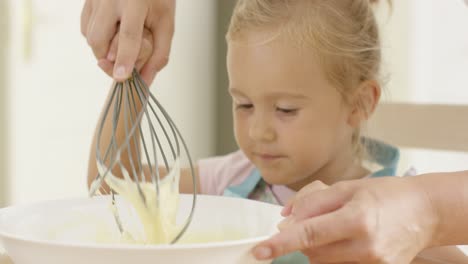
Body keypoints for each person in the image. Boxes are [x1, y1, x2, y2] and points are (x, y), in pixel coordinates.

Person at [82, 0, 468, 263]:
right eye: (243, 104)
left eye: (285, 110)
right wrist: (130, 79)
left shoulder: (394, 209)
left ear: (359, 104)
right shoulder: (233, 180)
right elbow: (110, 188)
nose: (258, 131)